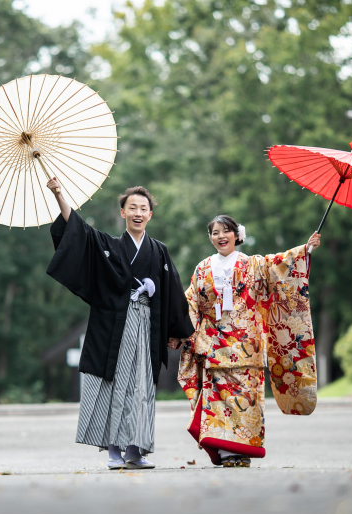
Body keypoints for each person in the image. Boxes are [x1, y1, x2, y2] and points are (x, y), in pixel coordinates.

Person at [45, 177, 194, 470]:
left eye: (143, 208)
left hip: (146, 326)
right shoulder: (108, 246)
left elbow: (173, 288)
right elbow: (78, 230)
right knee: (115, 385)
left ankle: (135, 451)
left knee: (142, 389)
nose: (138, 213)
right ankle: (113, 450)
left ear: (150, 214)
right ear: (123, 212)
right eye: (132, 207)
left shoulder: (159, 250)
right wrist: (60, 194)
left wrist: (176, 330)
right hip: (116, 326)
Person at [177, 215, 321, 467]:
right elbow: (190, 302)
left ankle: (241, 451)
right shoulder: (202, 268)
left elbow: (281, 265)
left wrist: (305, 250)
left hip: (247, 342)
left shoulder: (253, 264)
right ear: (210, 237)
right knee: (218, 401)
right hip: (214, 343)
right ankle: (225, 451)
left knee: (246, 400)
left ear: (236, 234)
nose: (220, 236)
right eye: (214, 232)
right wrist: (178, 330)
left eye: (226, 231)